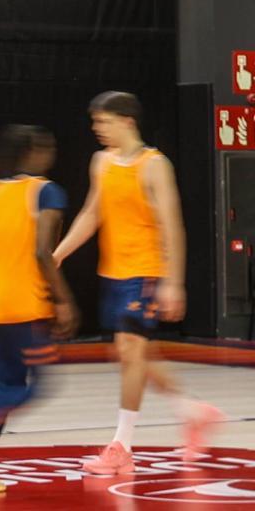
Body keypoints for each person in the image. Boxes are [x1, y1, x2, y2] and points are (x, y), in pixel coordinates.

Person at [54, 91, 223, 474]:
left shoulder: (154, 165)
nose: (97, 129)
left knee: (131, 352)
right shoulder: (101, 162)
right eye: (96, 122)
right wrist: (59, 253)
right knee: (134, 356)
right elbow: (92, 211)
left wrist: (172, 283)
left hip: (145, 272)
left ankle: (121, 445)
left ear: (126, 121)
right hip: (112, 272)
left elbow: (172, 225)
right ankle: (193, 411)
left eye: (103, 121)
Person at [0, 125, 78, 494]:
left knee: (8, 383)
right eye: (47, 148)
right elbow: (42, 253)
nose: (50, 155)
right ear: (32, 152)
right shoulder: (46, 192)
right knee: (37, 386)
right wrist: (64, 299)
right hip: (25, 304)